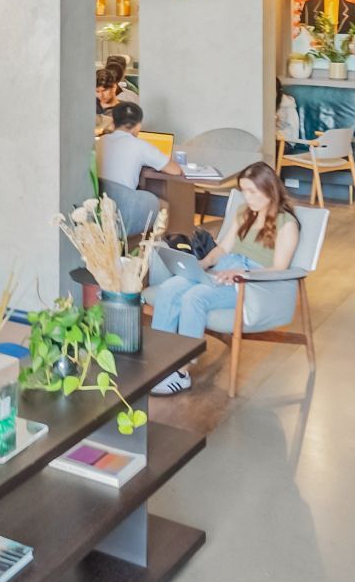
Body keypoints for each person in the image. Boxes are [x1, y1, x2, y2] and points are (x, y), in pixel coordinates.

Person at [143, 162, 301, 390]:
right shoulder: (244, 212)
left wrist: (242, 273)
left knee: (194, 297)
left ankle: (181, 371)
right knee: (169, 288)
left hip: (250, 282)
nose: (248, 197)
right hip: (224, 269)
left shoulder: (287, 224)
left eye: (252, 191)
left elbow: (279, 268)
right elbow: (224, 248)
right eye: (244, 191)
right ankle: (161, 362)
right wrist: (203, 263)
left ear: (270, 188)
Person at [95, 99, 173, 237]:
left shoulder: (100, 141)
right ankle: (155, 246)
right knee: (164, 206)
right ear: (138, 126)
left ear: (113, 122)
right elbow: (175, 170)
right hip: (126, 210)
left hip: (100, 205)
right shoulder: (140, 145)